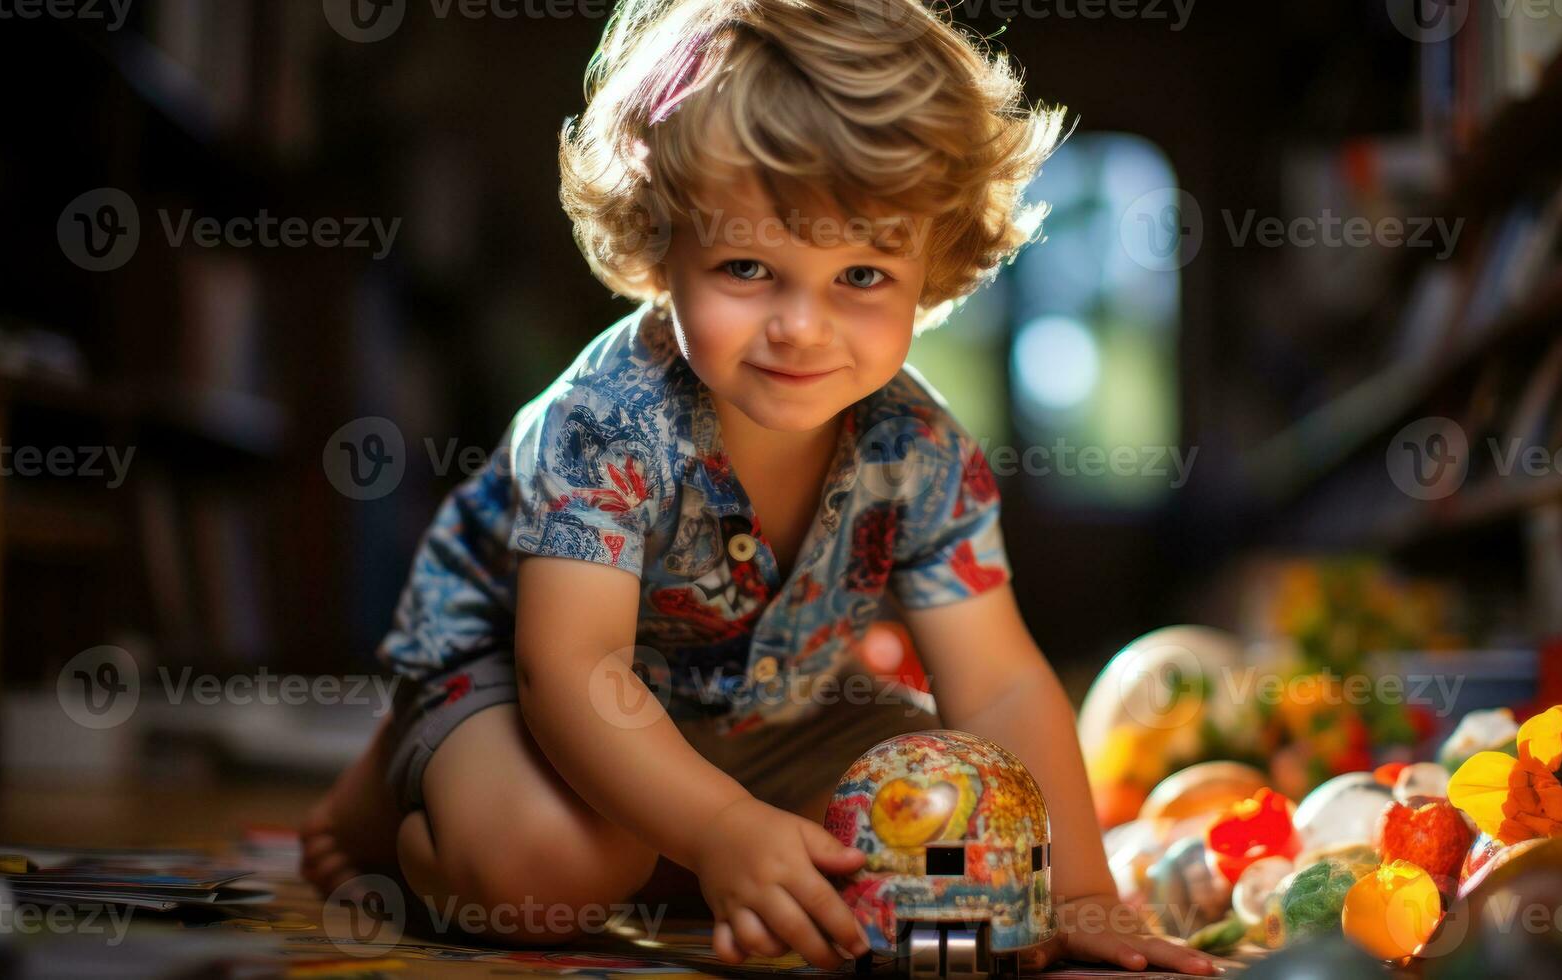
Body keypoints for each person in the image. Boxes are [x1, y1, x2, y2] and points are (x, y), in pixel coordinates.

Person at [302, 0, 1216, 973]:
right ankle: (407, 786)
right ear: (662, 247)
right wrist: (724, 828)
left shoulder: (925, 449)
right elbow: (571, 671)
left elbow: (996, 680)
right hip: (530, 681)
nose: (801, 326)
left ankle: (663, 841)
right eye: (748, 266)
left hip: (777, 710)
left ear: (933, 266)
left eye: (861, 273)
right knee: (549, 871)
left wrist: (1076, 891)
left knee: (940, 828)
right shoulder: (607, 422)